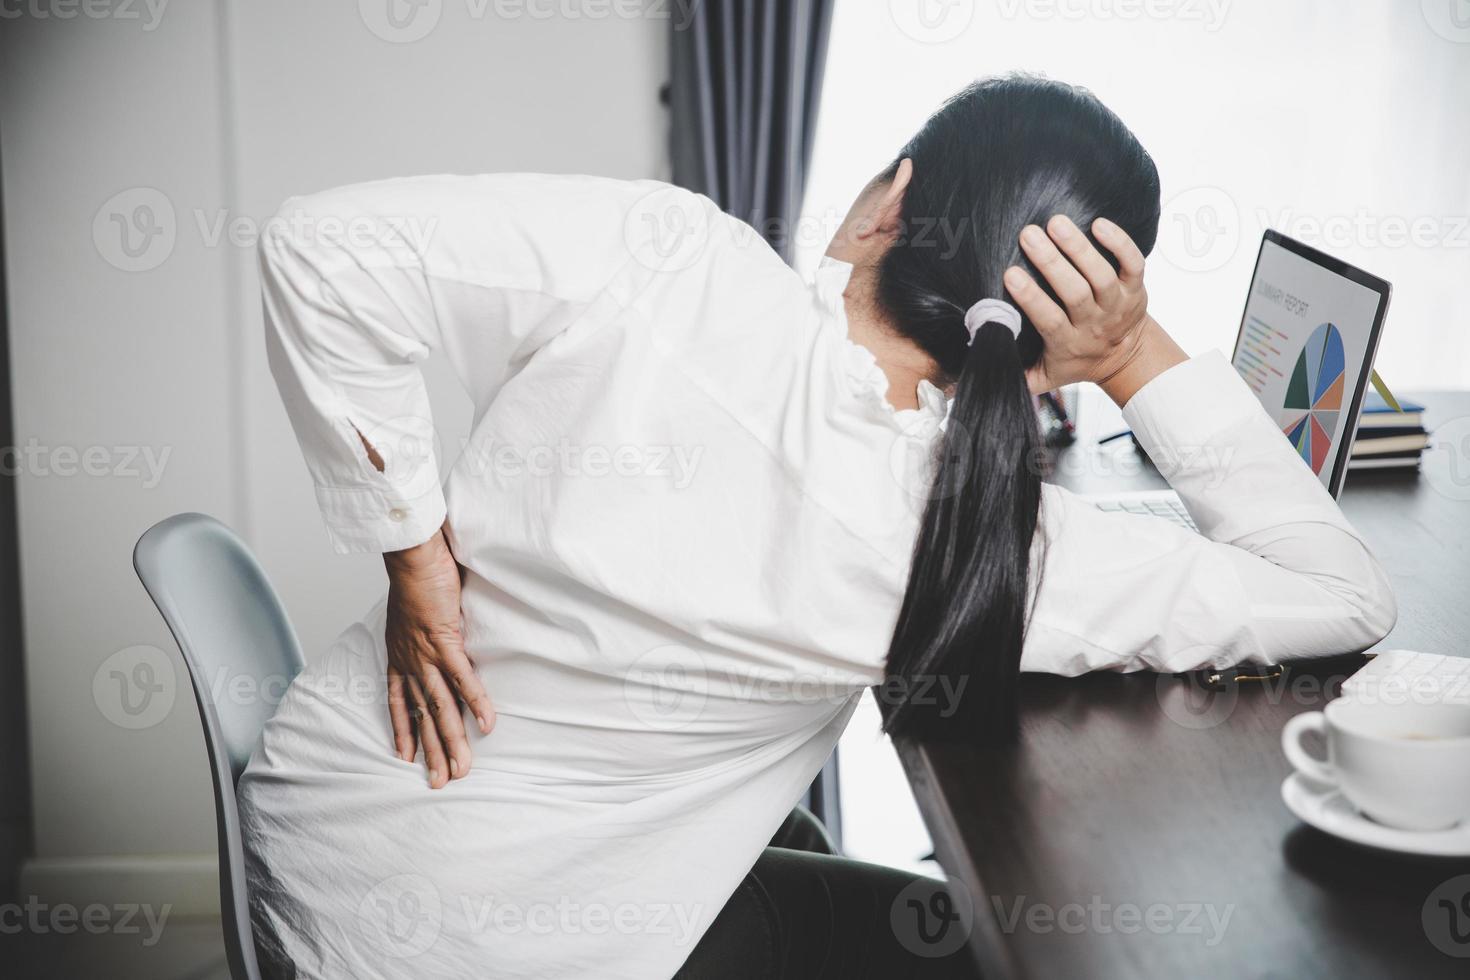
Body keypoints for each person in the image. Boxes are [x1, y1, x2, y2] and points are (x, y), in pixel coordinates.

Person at [239, 75, 1395, 979]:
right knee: (968, 943)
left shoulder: (669, 255)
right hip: (495, 944)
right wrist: (1138, 353)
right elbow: (1337, 592)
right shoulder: (975, 544)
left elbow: (321, 250)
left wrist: (414, 550)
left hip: (327, 838)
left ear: (884, 206)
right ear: (1053, 355)